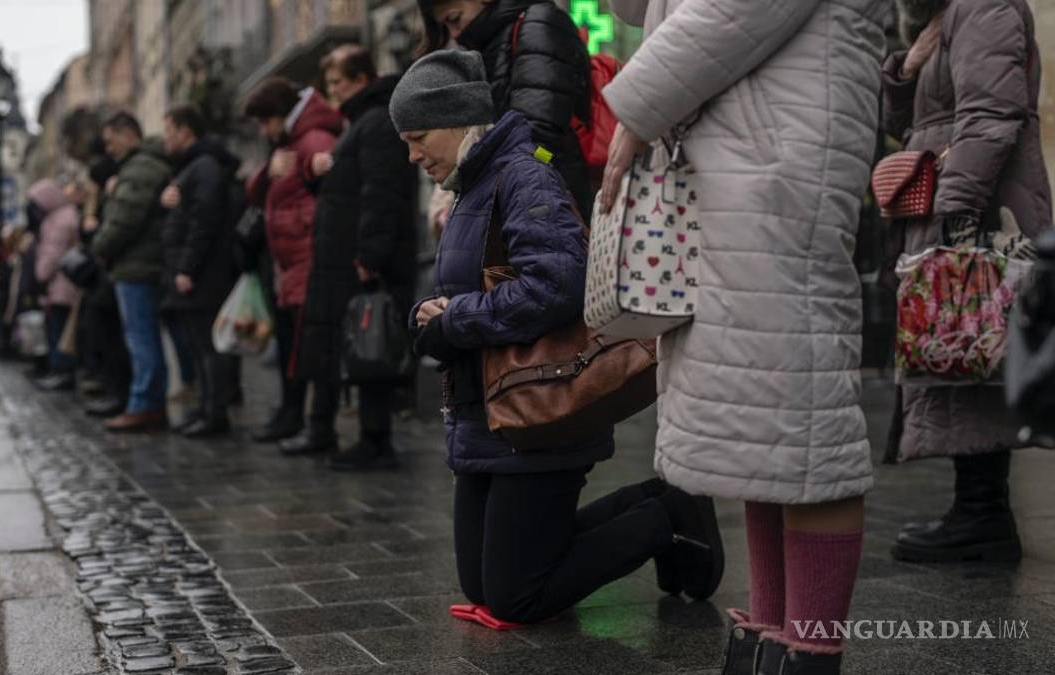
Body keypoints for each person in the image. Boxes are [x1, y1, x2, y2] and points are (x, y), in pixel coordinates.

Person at [597, 0, 885, 672]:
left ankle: (809, 650)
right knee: (760, 420)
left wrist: (637, 109)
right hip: (745, 160)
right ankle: (766, 639)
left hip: (779, 165)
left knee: (803, 419)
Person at [390, 49, 721, 627]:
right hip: (484, 417)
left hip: (537, 412)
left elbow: (558, 284)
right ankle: (657, 501)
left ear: (459, 121)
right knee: (484, 584)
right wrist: (429, 314)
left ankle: (668, 520)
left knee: (516, 597)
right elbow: (469, 286)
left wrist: (457, 319)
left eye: (418, 138)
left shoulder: (522, 176)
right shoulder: (472, 184)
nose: (412, 155)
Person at [881, 0, 1051, 564]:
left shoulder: (984, 5)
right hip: (958, 199)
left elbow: (991, 117)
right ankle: (979, 509)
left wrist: (955, 212)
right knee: (964, 349)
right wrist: (906, 71)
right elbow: (911, 126)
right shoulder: (948, 15)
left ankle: (983, 513)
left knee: (976, 343)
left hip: (978, 205)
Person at [287, 44, 418, 471]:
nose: (333, 92)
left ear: (362, 79)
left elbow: (381, 193)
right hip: (345, 258)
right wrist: (317, 172)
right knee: (359, 345)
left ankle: (376, 440)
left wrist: (370, 255)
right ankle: (368, 437)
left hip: (361, 262)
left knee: (372, 343)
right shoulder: (360, 123)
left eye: (338, 82)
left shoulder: (376, 122)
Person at [417, 0, 591, 217]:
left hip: (547, 204)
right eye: (445, 26)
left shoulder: (536, 25)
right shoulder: (490, 44)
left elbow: (538, 135)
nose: (454, 33)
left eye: (454, 19)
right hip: (530, 199)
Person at [244, 76, 345, 443]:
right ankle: (292, 413)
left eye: (265, 121)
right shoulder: (288, 143)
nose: (263, 129)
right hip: (289, 263)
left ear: (280, 114)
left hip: (308, 259)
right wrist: (267, 172)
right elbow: (256, 193)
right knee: (291, 343)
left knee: (309, 345)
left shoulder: (314, 140)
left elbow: (329, 196)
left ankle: (312, 422)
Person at [158, 105, 242, 438]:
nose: (165, 139)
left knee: (208, 346)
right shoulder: (191, 167)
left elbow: (203, 221)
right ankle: (205, 407)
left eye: (168, 131)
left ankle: (214, 413)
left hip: (203, 273)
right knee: (198, 345)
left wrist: (187, 267)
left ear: (185, 132)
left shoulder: (204, 166)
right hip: (194, 270)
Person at [91, 111, 173, 432]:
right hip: (139, 264)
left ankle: (145, 403)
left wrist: (99, 246)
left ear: (128, 135)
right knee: (142, 337)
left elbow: (123, 220)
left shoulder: (139, 169)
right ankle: (149, 401)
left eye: (111, 141)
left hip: (137, 266)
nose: (109, 148)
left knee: (141, 338)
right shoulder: (140, 167)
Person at [79, 152, 132, 419]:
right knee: (102, 332)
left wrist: (93, 232)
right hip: (106, 276)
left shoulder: (112, 197)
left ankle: (119, 393)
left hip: (113, 273)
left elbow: (109, 234)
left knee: (115, 337)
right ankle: (111, 388)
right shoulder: (101, 200)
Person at [29, 178, 82, 392]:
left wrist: (41, 274)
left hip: (62, 285)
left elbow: (53, 253)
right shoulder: (61, 216)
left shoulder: (60, 219)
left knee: (59, 330)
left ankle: (62, 370)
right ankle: (59, 369)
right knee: (57, 329)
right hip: (59, 284)